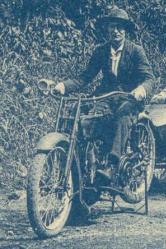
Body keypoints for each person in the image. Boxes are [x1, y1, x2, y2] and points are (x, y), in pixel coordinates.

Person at [54, 6, 156, 177]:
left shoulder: (136, 51)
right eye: (111, 27)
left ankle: (112, 164)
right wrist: (63, 86)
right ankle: (82, 165)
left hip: (128, 99)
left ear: (125, 30)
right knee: (84, 118)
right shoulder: (101, 51)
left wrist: (141, 89)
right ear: (107, 29)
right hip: (105, 97)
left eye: (119, 27)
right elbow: (85, 77)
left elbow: (149, 78)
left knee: (122, 117)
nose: (115, 31)